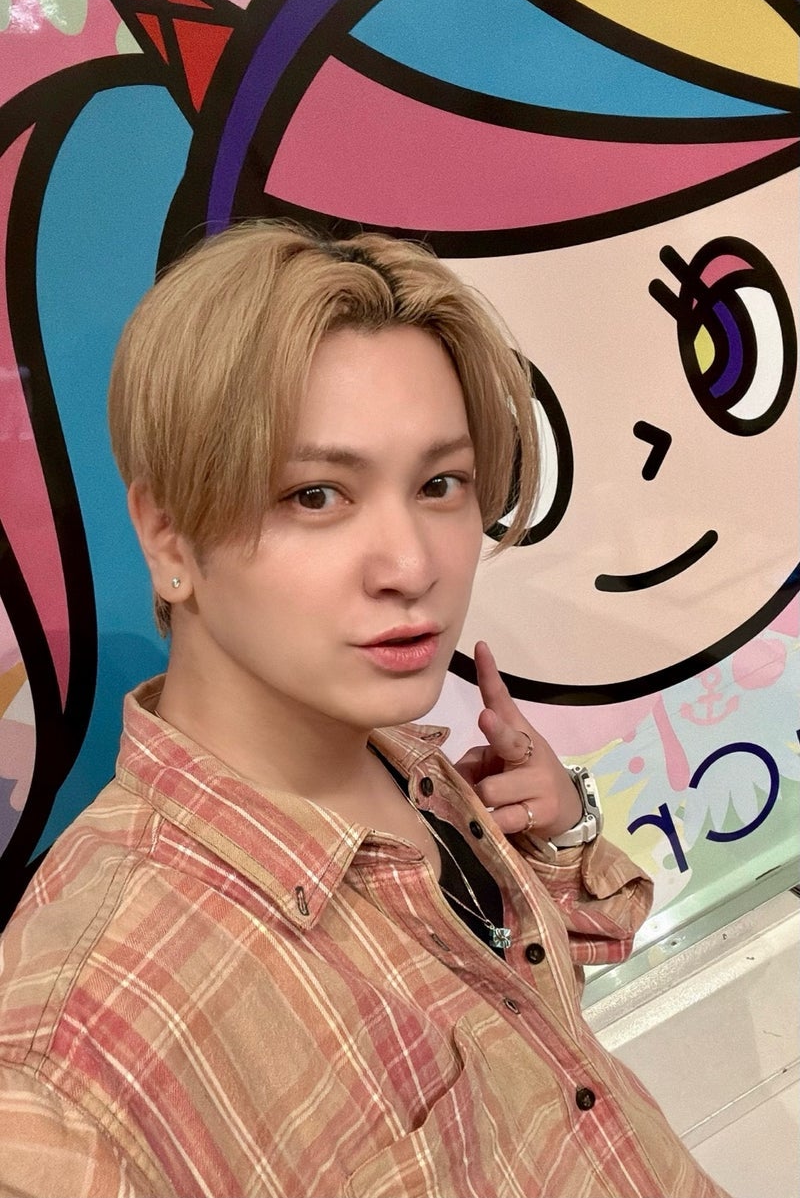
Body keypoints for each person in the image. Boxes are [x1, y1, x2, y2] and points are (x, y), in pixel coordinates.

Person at [0, 222, 727, 1198]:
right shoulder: (73, 1067)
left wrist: (557, 837)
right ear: (168, 538)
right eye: (316, 495)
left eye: (439, 484)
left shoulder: (401, 763)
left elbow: (522, 1038)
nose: (413, 565)